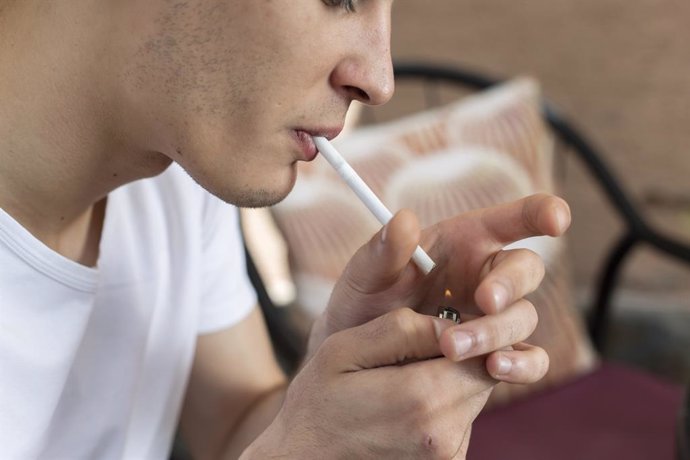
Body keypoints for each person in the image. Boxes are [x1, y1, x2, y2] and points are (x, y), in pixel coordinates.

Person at [0, 1, 570, 458]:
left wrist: (339, 390)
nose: (379, 79)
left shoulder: (172, 171)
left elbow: (234, 425)